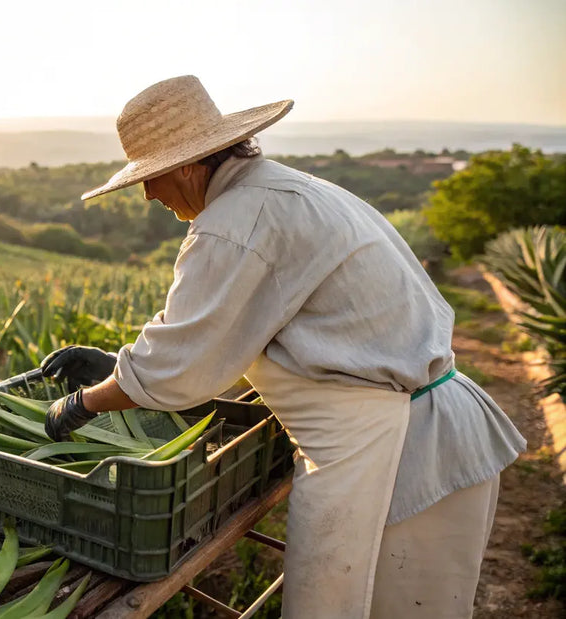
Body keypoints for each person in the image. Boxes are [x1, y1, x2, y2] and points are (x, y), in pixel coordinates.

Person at [39, 75, 526, 619]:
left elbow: (179, 367)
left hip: (397, 451)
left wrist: (85, 402)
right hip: (421, 425)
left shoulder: (234, 221)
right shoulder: (285, 191)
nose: (149, 195)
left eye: (151, 179)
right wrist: (120, 367)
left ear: (185, 165)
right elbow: (221, 335)